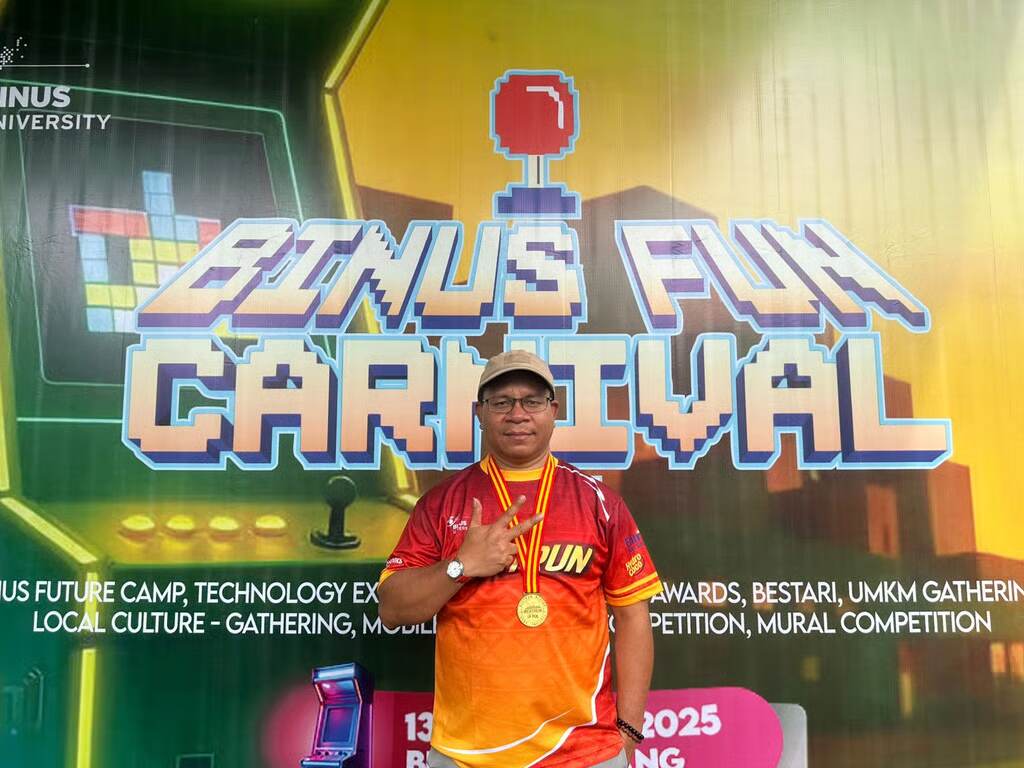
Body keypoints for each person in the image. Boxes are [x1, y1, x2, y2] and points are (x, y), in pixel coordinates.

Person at [378, 349, 662, 768]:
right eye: (501, 402)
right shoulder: (441, 504)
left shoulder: (599, 502)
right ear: (480, 412)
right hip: (467, 755)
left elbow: (634, 616)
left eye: (532, 401)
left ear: (553, 411)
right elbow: (392, 609)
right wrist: (461, 566)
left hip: (584, 753)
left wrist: (630, 731)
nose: (517, 414)